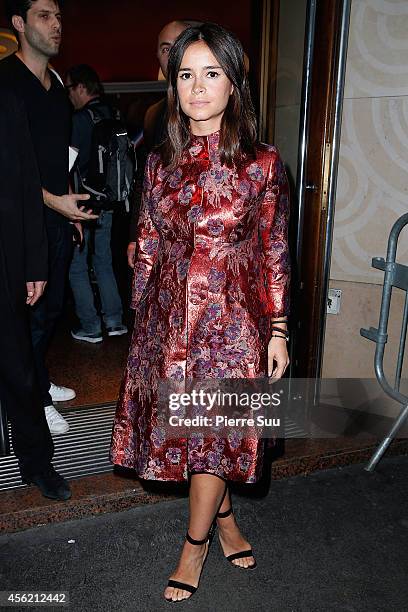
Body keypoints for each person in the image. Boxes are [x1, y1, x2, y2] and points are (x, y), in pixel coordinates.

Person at [110, 22, 291, 602]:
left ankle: (195, 545)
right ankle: (228, 518)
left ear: (234, 83)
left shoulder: (262, 164)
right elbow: (148, 234)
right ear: (174, 86)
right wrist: (142, 308)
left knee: (214, 436)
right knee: (194, 437)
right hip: (170, 324)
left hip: (233, 326)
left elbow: (275, 249)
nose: (197, 86)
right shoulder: (159, 162)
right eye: (186, 74)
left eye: (211, 73)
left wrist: (279, 330)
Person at [1, 0, 98, 434]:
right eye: (45, 16)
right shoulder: (4, 82)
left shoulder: (58, 86)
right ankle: (32, 401)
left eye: (59, 16)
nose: (57, 25)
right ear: (19, 23)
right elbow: (7, 170)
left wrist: (69, 208)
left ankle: (38, 380)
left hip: (58, 220)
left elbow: (57, 159)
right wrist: (53, 201)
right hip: (19, 225)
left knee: (52, 312)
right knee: (27, 319)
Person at [0, 84, 71, 501]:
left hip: (5, 257)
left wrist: (33, 263)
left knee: (18, 368)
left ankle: (37, 463)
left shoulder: (7, 97)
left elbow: (26, 179)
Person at [66, 64, 128, 343]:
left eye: (70, 88)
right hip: (110, 202)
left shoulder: (81, 119)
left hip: (83, 202)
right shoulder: (114, 114)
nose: (69, 95)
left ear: (81, 87)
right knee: (104, 261)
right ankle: (114, 321)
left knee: (77, 266)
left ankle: (90, 327)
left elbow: (67, 163)